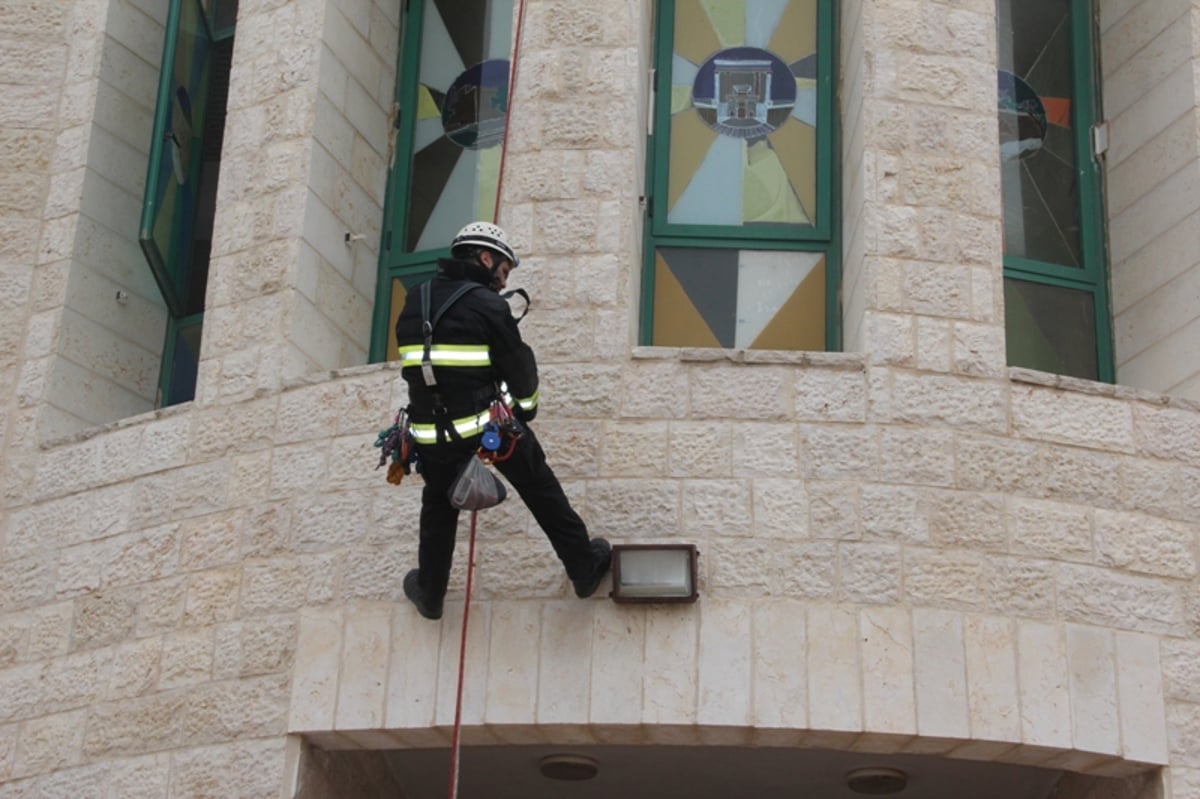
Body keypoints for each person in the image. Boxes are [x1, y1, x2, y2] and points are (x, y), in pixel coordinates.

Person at [393, 221, 611, 620]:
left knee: (438, 505)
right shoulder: (488, 304)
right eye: (504, 271)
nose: (502, 280)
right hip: (483, 427)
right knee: (538, 485)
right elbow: (520, 368)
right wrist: (525, 409)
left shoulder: (414, 300)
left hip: (430, 434)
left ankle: (431, 593)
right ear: (486, 258)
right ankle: (583, 568)